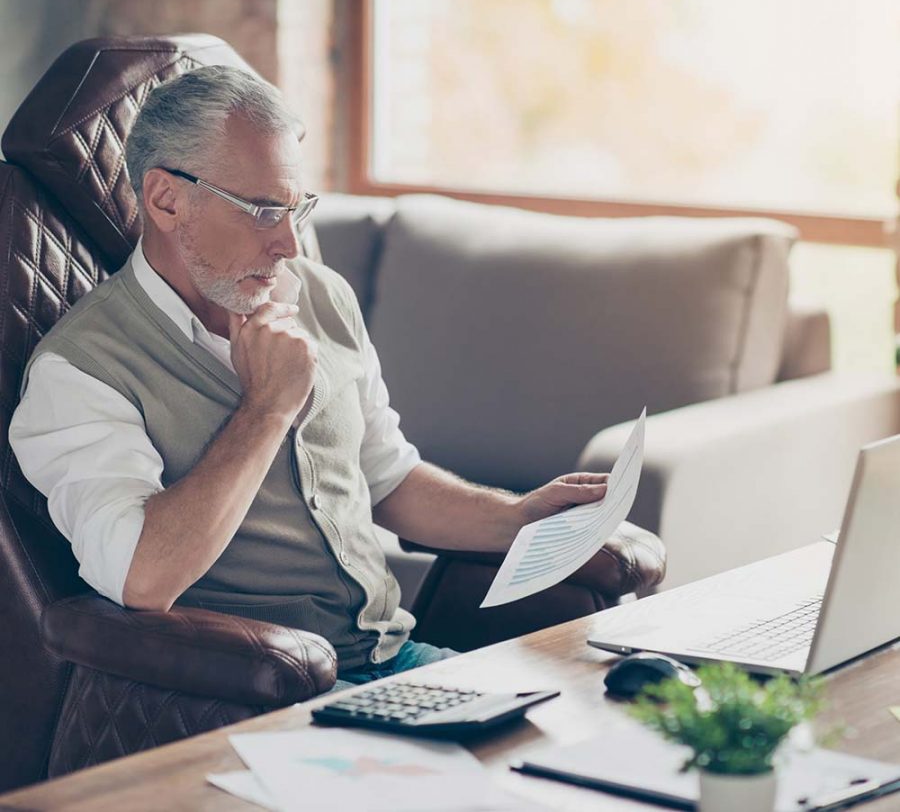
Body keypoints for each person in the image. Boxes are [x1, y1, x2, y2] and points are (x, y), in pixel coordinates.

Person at [9, 65, 609, 687]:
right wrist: (267, 408)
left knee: (582, 727)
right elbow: (143, 577)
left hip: (393, 661)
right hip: (250, 693)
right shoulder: (80, 370)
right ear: (166, 199)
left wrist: (517, 519)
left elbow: (387, 478)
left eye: (296, 209)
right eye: (264, 210)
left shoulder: (320, 296)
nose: (290, 245)